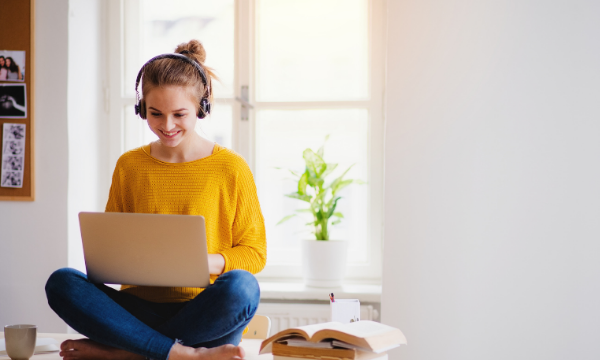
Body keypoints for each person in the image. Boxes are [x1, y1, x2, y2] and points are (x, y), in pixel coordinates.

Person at [45, 39, 267, 360]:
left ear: (201, 107)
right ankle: (180, 354)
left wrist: (203, 263)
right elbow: (110, 246)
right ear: (141, 109)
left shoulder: (230, 167)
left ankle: (129, 352)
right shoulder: (130, 165)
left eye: (179, 114)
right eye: (155, 113)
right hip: (136, 311)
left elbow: (254, 253)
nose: (167, 125)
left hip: (203, 311)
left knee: (242, 287)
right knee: (62, 283)